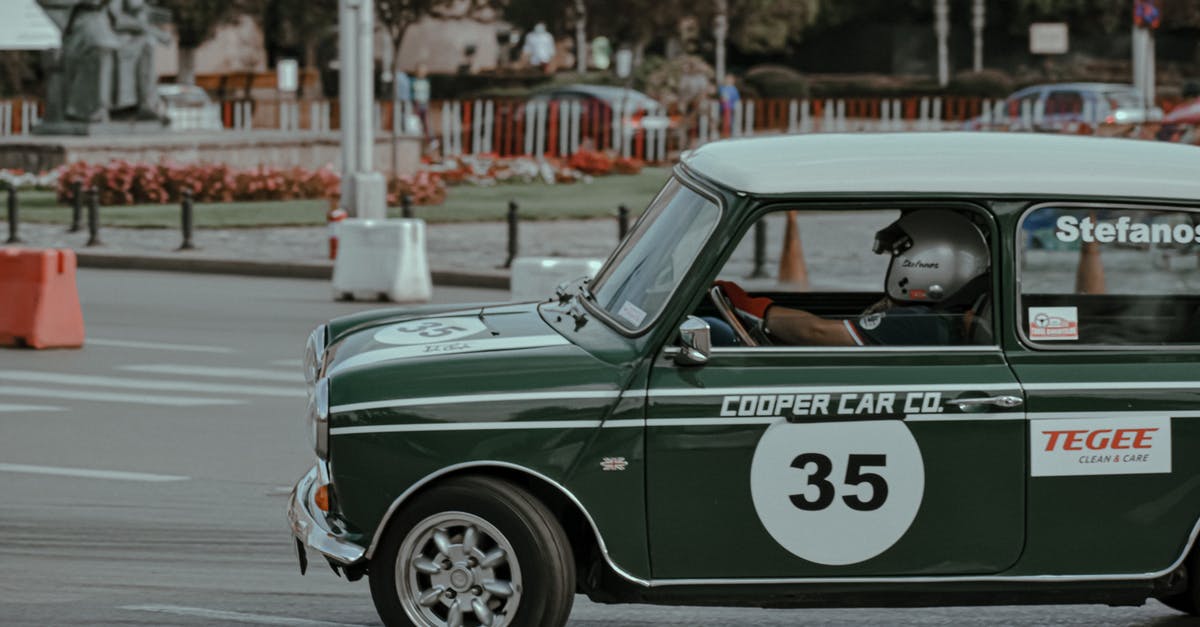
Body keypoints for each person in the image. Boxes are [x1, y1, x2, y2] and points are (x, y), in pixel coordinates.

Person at [712, 210, 991, 347]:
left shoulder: (919, 323)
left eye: (900, 256)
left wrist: (754, 308)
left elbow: (816, 332)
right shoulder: (939, 319)